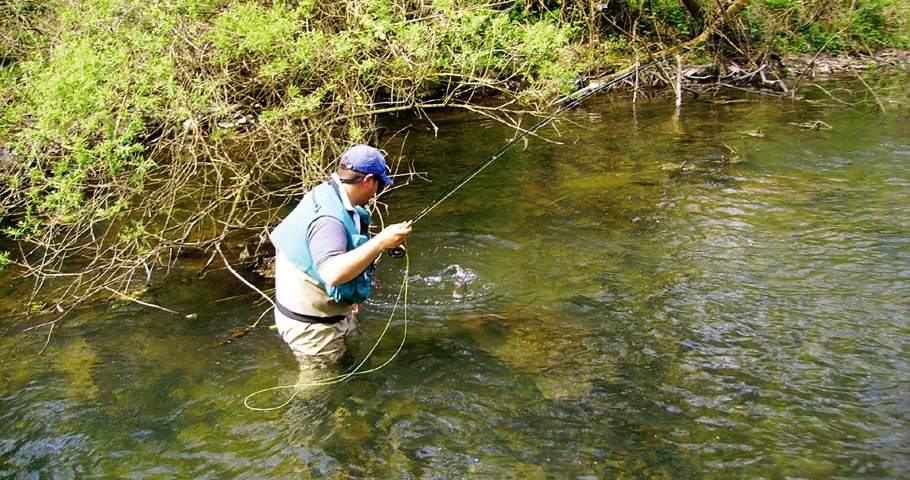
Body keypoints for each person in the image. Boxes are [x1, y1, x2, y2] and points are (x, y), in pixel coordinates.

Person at [269, 145, 412, 367]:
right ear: (368, 180)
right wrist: (381, 241)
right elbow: (332, 273)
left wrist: (349, 296)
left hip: (326, 311)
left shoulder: (326, 193)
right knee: (321, 390)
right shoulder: (329, 219)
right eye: (380, 184)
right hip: (313, 328)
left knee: (352, 357)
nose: (377, 191)